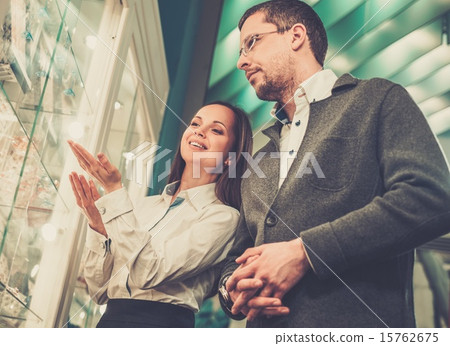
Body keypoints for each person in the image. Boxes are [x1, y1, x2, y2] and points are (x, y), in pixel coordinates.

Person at [218, 0, 450, 328]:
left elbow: (430, 198)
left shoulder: (378, 100)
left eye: (251, 42)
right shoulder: (260, 158)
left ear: (295, 36)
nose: (242, 61)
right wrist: (233, 291)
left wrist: (305, 252)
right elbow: (236, 255)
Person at [68, 101, 253, 327]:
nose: (199, 131)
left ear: (230, 158)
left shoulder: (223, 218)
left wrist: (114, 191)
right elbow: (98, 291)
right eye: (195, 123)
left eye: (216, 130)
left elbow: (149, 272)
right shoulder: (141, 206)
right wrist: (98, 226)